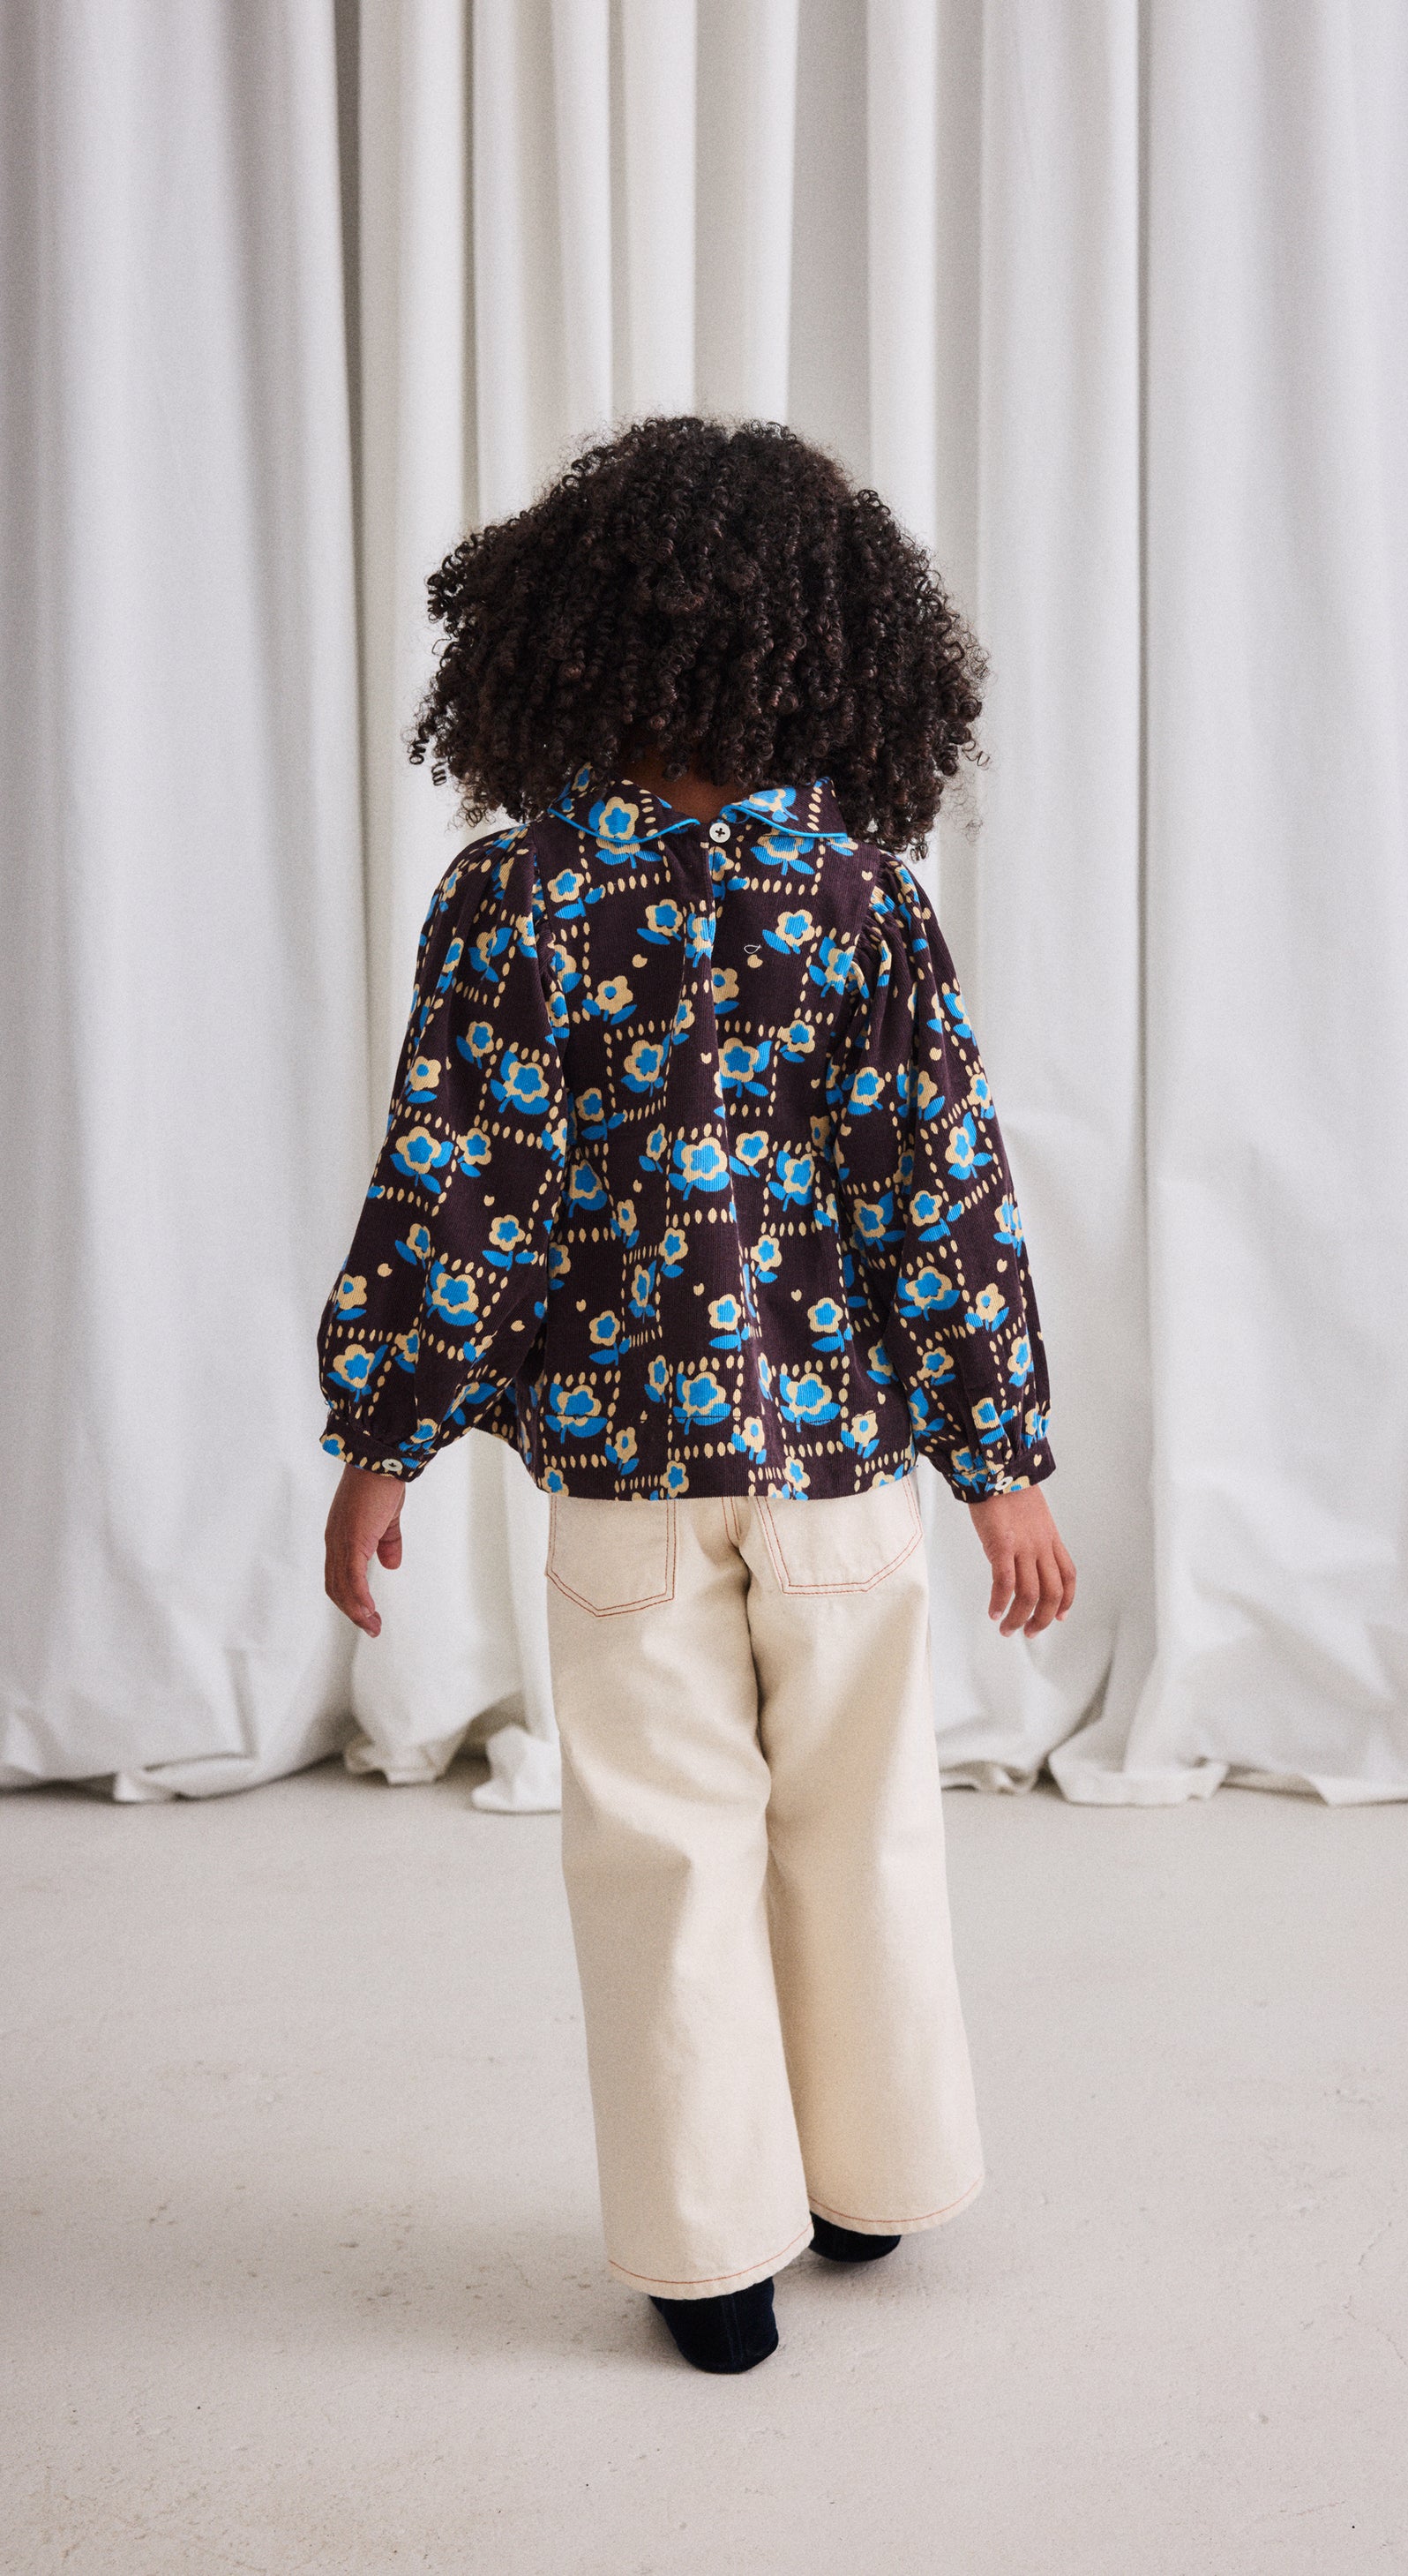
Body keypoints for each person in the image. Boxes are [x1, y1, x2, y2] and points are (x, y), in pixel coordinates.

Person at [318, 416, 1075, 2375]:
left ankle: (709, 2253)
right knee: (861, 1823)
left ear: (567, 638)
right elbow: (939, 1198)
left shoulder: (516, 896)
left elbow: (459, 1186)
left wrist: (385, 1437)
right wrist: (1001, 1463)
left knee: (661, 1850)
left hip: (625, 1487)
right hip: (841, 1477)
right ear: (835, 651)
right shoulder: (860, 898)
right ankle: (875, 2180)